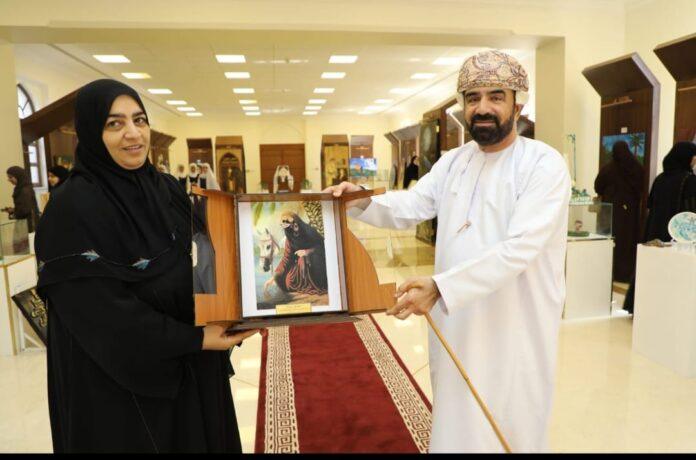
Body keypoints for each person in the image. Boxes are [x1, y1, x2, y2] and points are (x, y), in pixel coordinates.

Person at [326, 50, 570, 453]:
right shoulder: (454, 161)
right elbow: (412, 205)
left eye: (496, 96)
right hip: (457, 319)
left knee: (510, 416)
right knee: (456, 416)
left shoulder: (543, 164)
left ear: (517, 104)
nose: (482, 107)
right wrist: (361, 200)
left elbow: (519, 249)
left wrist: (441, 287)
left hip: (515, 321)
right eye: (473, 98)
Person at [35, 79, 257, 453]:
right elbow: (100, 315)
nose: (133, 133)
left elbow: (211, 249)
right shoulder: (71, 208)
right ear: (90, 132)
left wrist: (246, 300)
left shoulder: (164, 188)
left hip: (191, 367)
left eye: (139, 120)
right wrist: (196, 338)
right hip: (121, 388)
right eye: (114, 123)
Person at [623, 141, 696, 313]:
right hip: (676, 237)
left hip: (654, 232)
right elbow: (691, 211)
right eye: (693, 157)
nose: (694, 161)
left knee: (651, 271)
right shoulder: (690, 180)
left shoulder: (660, 179)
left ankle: (644, 308)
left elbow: (650, 205)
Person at [594, 140, 644, 282]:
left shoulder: (608, 169)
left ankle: (610, 273)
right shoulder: (637, 168)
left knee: (612, 241)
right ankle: (627, 274)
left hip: (611, 212)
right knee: (628, 242)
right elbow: (640, 188)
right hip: (630, 213)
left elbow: (598, 186)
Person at [263, 211, 327, 298]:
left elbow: (321, 247)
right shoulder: (289, 238)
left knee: (303, 260)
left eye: (288, 222)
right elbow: (287, 258)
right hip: (301, 266)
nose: (292, 227)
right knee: (286, 280)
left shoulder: (310, 231)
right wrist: (274, 277)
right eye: (284, 223)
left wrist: (307, 252)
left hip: (315, 263)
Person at [3, 166, 40, 233]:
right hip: (26, 223)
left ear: (18, 176)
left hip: (29, 224)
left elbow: (25, 210)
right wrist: (13, 210)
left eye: (11, 177)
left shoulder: (24, 190)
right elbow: (23, 206)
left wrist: (13, 214)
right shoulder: (20, 188)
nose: (9, 180)